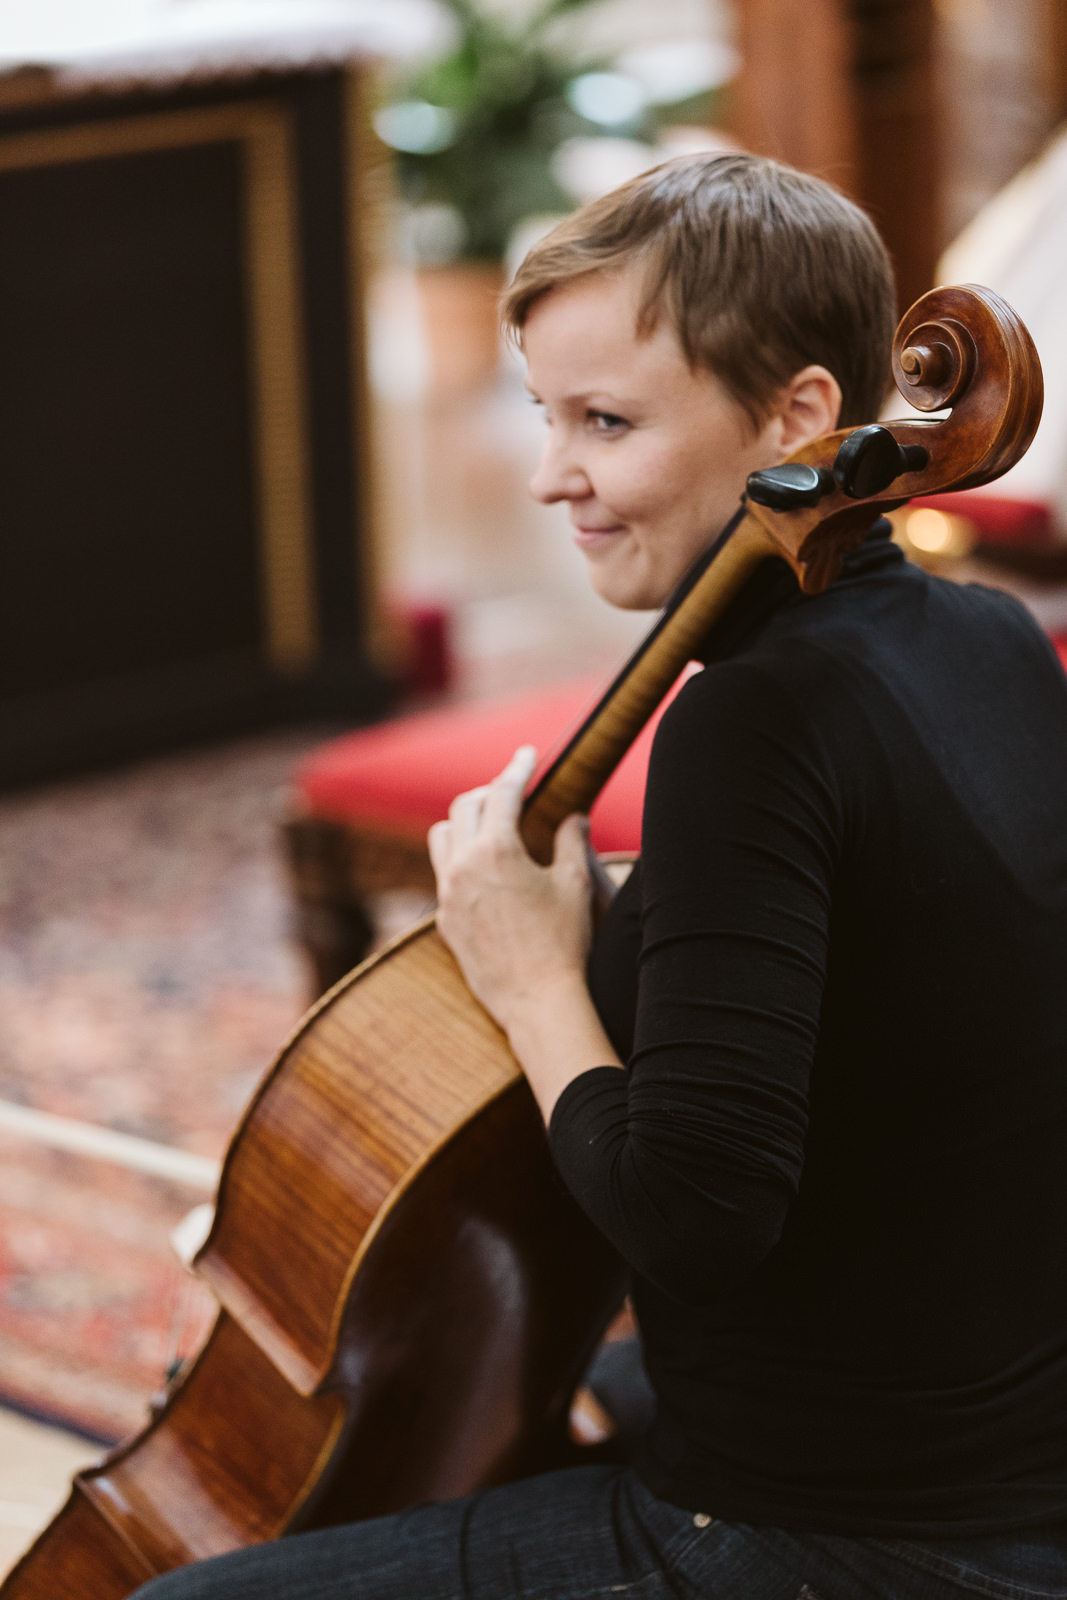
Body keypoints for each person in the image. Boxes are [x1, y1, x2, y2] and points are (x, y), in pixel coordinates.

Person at [133, 154, 1067, 1598]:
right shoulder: (990, 641)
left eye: (607, 422)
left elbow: (693, 1215)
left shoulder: (751, 722)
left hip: (849, 1535)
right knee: (541, 1401)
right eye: (546, 414)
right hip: (1007, 1449)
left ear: (798, 416)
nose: (550, 472)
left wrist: (523, 973)